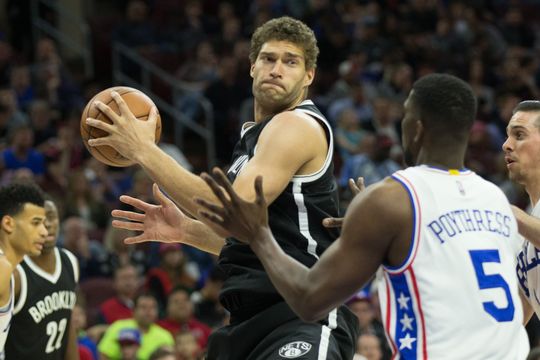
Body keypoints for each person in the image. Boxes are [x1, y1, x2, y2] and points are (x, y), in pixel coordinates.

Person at [195, 74, 530, 358]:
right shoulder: (494, 199)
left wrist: (258, 234)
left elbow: (310, 302)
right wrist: (378, 238)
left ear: (415, 128)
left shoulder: (392, 199)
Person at [87, 16, 359, 358]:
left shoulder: (297, 124)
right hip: (249, 320)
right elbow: (249, 234)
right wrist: (186, 231)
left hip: (300, 316)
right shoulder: (252, 140)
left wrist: (144, 150)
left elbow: (235, 209)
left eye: (291, 62)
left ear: (309, 76)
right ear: (252, 66)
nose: (277, 69)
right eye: (268, 58)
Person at [5, 200, 79, 359]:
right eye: (37, 221)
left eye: (51, 217)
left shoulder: (69, 261)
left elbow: (68, 321)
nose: (47, 225)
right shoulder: (16, 274)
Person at [502, 100, 540, 324]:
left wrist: (507, 212)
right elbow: (512, 324)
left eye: (519, 135)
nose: (506, 144)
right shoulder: (524, 241)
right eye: (507, 135)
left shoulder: (521, 220)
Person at [0, 182, 48, 358]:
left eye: (44, 223)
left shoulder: (9, 269)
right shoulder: (2, 267)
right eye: (36, 223)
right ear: (8, 223)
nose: (44, 232)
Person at [98, 293, 174, 359]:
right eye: (143, 307)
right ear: (133, 311)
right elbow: (103, 356)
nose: (148, 311)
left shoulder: (165, 336)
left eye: (152, 307)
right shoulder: (118, 327)